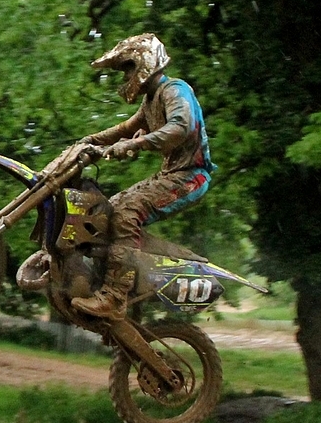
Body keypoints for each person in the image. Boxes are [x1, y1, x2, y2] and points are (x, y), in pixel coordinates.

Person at [72, 33, 216, 320]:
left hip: (191, 177)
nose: (126, 77)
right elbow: (125, 129)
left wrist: (137, 144)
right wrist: (87, 141)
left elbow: (180, 127)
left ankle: (115, 296)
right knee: (106, 209)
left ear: (144, 63)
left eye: (128, 69)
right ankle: (107, 280)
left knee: (126, 214)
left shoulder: (174, 90)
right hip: (171, 175)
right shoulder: (150, 100)